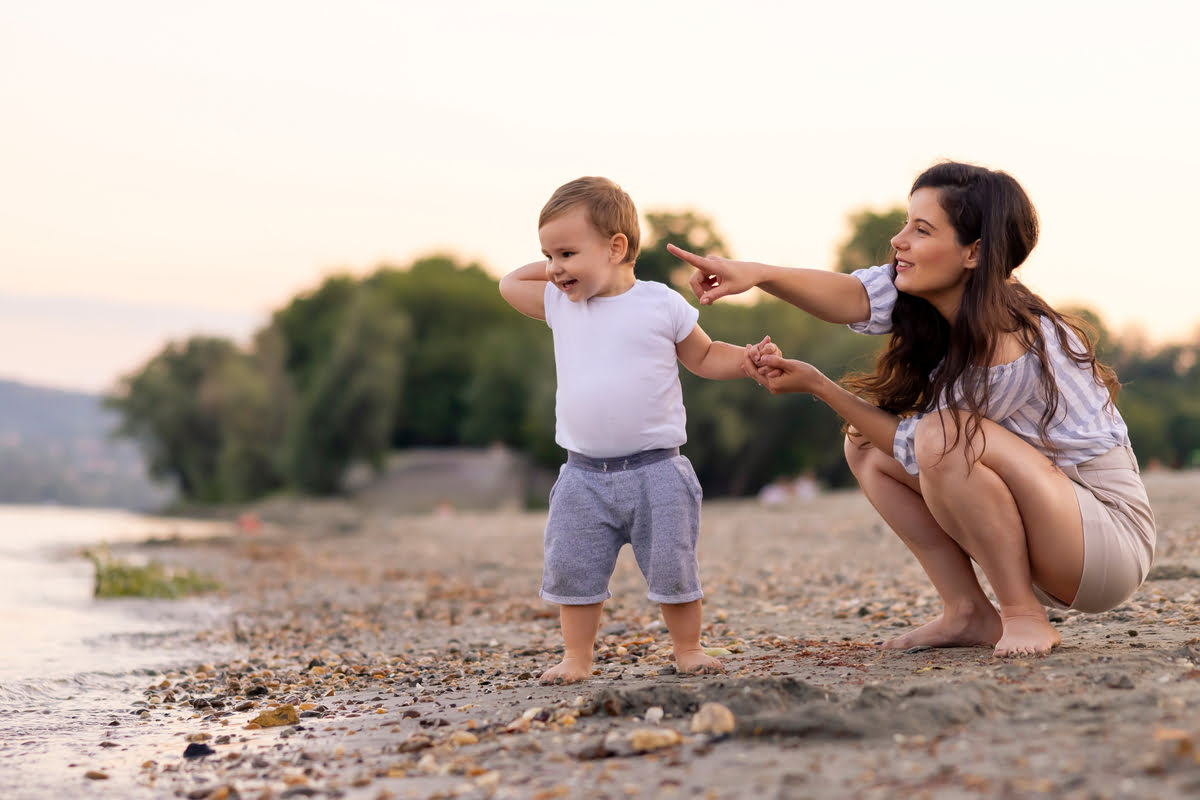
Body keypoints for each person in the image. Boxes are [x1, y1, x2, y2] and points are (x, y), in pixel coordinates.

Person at [670, 161, 1155, 657]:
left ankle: (1024, 616)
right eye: (906, 224)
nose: (899, 240)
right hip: (1048, 518)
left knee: (940, 436)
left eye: (921, 230)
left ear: (975, 252)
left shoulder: (1008, 339)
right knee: (864, 444)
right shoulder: (931, 301)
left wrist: (822, 387)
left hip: (1103, 543)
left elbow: (933, 446)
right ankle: (967, 611)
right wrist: (755, 274)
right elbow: (852, 295)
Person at [499, 176, 775, 683]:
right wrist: (558, 265)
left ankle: (688, 647)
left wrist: (748, 361)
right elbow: (509, 284)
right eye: (548, 255)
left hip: (658, 469)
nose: (555, 269)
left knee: (674, 569)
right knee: (575, 573)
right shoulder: (561, 304)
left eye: (566, 253)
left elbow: (706, 355)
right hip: (582, 475)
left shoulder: (660, 303)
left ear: (616, 247)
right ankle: (576, 658)